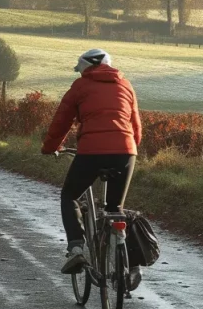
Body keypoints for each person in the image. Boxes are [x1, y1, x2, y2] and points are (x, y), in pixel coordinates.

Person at [41, 49, 142, 280]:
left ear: (85, 68)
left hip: (91, 152)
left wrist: (50, 147)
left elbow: (61, 121)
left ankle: (76, 248)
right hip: (125, 151)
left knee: (70, 196)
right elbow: (136, 126)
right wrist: (128, 148)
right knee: (115, 208)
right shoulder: (126, 85)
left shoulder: (80, 87)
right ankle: (124, 252)